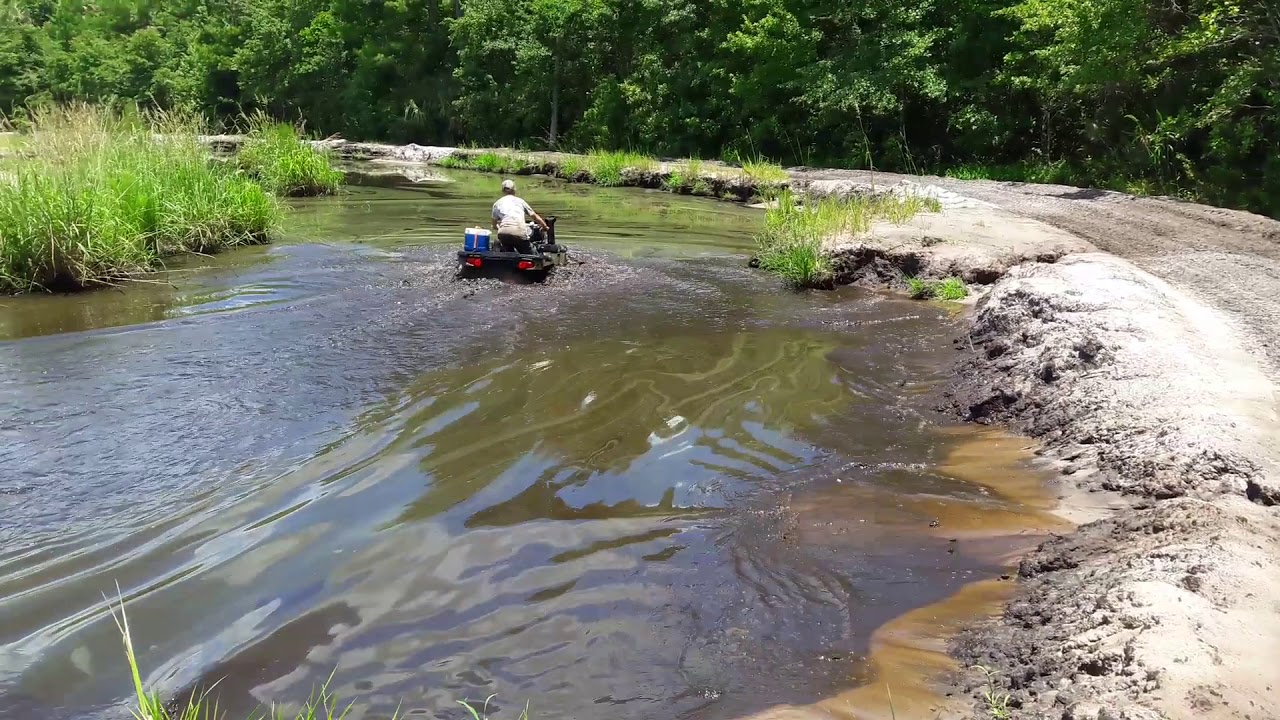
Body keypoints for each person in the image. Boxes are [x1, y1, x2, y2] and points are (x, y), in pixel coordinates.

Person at [491, 179, 548, 253]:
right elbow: (534, 216)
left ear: (503, 190)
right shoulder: (520, 201)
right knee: (531, 254)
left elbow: (494, 225)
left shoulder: (497, 203)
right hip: (518, 232)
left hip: (503, 234)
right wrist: (545, 226)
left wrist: (501, 228)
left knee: (508, 254)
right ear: (514, 190)